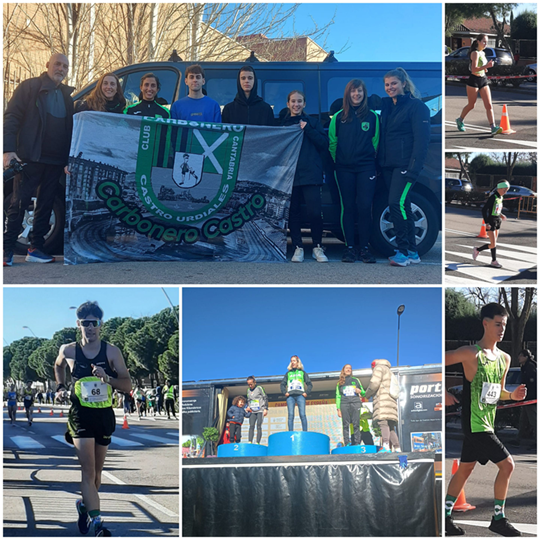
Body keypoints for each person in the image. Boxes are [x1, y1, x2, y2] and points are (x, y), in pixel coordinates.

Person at [445, 303, 527, 537]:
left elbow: (498, 390)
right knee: (508, 464)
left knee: (465, 469)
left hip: (487, 422)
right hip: (475, 424)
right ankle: (499, 519)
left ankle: (445, 515)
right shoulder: (470, 353)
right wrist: (442, 391)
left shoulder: (505, 358)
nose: (502, 329)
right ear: (485, 323)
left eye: (505, 325)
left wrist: (511, 395)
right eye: (498, 324)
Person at [54, 301, 132, 537]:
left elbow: (127, 384)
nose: (90, 327)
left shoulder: (111, 351)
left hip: (104, 415)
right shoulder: (69, 350)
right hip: (80, 416)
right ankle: (97, 523)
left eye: (94, 323)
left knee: (97, 474)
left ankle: (83, 506)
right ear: (78, 325)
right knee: (88, 471)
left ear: (101, 325)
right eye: (85, 323)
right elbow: (58, 366)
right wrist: (60, 386)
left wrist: (107, 377)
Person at [3, 53, 74, 266]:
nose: (61, 69)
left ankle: (36, 249)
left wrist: (68, 159)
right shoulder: (29, 88)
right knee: (19, 202)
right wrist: (8, 150)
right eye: (57, 64)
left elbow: (70, 130)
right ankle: (6, 250)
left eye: (65, 66)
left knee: (45, 205)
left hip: (56, 161)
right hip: (29, 157)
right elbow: (12, 117)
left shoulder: (66, 97)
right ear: (47, 65)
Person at [378, 67, 430, 267]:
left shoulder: (417, 107)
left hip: (405, 166)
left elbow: (421, 141)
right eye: (387, 84)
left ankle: (401, 251)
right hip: (388, 166)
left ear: (403, 84)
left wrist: (414, 168)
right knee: (404, 206)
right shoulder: (388, 107)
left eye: (394, 83)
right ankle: (412, 252)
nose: (390, 87)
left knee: (395, 204)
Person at [329, 79, 380, 263]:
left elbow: (376, 143)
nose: (356, 94)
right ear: (347, 94)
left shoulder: (373, 117)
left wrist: (366, 160)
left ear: (364, 93)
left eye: (359, 91)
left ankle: (365, 248)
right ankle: (349, 247)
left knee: (365, 207)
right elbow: (332, 143)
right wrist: (341, 161)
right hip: (344, 168)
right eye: (353, 91)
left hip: (367, 168)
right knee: (348, 207)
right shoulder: (338, 117)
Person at [281, 90, 329, 263]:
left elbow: (324, 144)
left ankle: (317, 246)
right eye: (293, 101)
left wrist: (307, 129)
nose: (296, 104)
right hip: (291, 175)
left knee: (315, 212)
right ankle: (297, 247)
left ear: (304, 104)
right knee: (293, 213)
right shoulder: (283, 125)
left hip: (311, 174)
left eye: (299, 101)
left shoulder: (313, 123)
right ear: (288, 104)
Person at [455, 34, 503, 137]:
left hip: (483, 79)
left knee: (489, 105)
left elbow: (480, 67)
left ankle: (493, 127)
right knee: (471, 105)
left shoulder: (482, 53)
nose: (485, 44)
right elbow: (473, 69)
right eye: (484, 42)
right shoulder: (475, 53)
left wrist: (485, 68)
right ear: (478, 41)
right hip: (474, 81)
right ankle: (460, 120)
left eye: (486, 42)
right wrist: (486, 66)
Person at [364, 359, 401, 453]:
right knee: (391, 427)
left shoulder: (379, 368)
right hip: (391, 402)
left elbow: (374, 383)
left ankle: (385, 446)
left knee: (383, 423)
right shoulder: (390, 371)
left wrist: (367, 394)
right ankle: (397, 448)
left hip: (382, 401)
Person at [473, 180, 509, 269]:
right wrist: (486, 223)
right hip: (491, 221)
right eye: (504, 190)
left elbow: (497, 209)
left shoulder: (501, 197)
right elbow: (484, 210)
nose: (505, 192)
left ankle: (494, 261)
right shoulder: (493, 198)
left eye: (507, 190)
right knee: (492, 244)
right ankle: (477, 249)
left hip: (498, 220)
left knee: (494, 243)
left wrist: (501, 215)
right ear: (499, 188)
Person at [509, 349, 536, 450]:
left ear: (526, 356)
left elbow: (532, 384)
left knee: (534, 421)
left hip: (530, 399)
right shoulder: (524, 367)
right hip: (525, 399)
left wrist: (529, 397)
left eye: (520, 356)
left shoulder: (530, 367)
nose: (518, 358)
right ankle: (518, 439)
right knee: (523, 420)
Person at [335, 364, 366, 446]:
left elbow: (363, 392)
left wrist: (359, 391)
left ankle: (357, 443)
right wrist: (338, 409)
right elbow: (338, 396)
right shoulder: (340, 383)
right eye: (347, 368)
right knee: (345, 424)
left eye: (350, 368)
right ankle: (346, 443)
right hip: (344, 404)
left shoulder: (356, 380)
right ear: (343, 370)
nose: (348, 369)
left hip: (355, 403)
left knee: (356, 424)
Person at [280, 355, 313, 431]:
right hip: (290, 396)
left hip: (300, 395)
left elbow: (310, 384)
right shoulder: (288, 373)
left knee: (302, 414)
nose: (292, 362)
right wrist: (285, 392)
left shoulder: (302, 373)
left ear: (298, 362)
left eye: (294, 361)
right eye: (291, 361)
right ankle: (290, 432)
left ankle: (305, 432)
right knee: (291, 415)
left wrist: (306, 392)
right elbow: (282, 384)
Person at [246, 376, 268, 444]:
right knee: (251, 425)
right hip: (252, 411)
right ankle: (250, 441)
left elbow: (265, 398)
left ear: (254, 382)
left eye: (251, 384)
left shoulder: (259, 388)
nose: (250, 386)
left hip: (260, 410)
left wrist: (265, 408)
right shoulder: (248, 390)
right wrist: (248, 407)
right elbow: (249, 400)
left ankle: (258, 442)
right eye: (248, 384)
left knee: (259, 426)